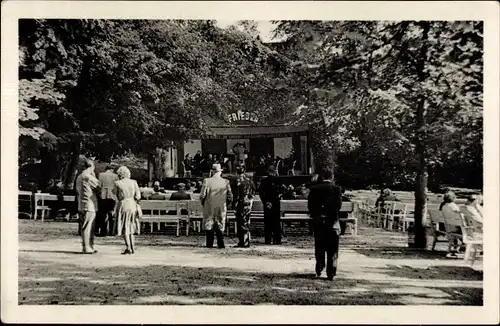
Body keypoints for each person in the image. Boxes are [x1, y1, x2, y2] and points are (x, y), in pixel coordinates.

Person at [307, 168, 342, 280]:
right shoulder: (337, 189)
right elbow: (338, 206)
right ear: (331, 177)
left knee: (319, 245)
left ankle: (319, 267)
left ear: (321, 177)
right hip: (332, 221)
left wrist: (318, 215)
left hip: (319, 221)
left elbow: (310, 206)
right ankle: (331, 271)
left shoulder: (314, 189)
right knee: (332, 247)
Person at [199, 164, 233, 249]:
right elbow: (230, 196)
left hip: (209, 205)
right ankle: (220, 243)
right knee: (220, 223)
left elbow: (202, 195)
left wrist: (203, 203)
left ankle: (209, 243)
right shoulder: (226, 182)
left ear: (212, 171)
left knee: (209, 223)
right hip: (221, 206)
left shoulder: (206, 181)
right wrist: (226, 203)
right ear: (220, 172)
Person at [114, 166, 141, 255]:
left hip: (123, 204)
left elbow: (116, 195)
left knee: (125, 227)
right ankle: (133, 247)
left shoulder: (118, 183)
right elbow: (138, 196)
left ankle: (128, 247)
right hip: (132, 204)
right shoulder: (134, 182)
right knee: (131, 226)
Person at [75, 158, 100, 254]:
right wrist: (94, 177)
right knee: (88, 226)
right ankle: (87, 246)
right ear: (92, 166)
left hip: (81, 203)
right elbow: (99, 187)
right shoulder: (88, 177)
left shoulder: (79, 176)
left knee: (84, 226)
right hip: (90, 204)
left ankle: (87, 245)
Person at [258, 165, 283, 245]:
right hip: (275, 203)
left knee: (268, 222)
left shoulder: (264, 181)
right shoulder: (278, 181)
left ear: (268, 171)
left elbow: (261, 193)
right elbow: (281, 191)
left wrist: (265, 202)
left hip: (267, 203)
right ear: (274, 171)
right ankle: (277, 239)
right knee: (276, 221)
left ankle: (268, 239)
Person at [232, 164, 255, 248]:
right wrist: (250, 203)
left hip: (240, 204)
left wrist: (234, 206)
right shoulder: (249, 180)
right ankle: (247, 240)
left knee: (241, 223)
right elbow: (253, 193)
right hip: (248, 204)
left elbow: (236, 195)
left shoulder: (237, 181)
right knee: (247, 222)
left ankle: (243, 241)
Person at [440, 191, 464, 257]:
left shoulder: (443, 206)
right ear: (453, 198)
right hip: (455, 228)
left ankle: (460, 247)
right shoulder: (453, 206)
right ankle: (464, 247)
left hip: (448, 227)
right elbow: (460, 215)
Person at [97, 165, 118, 236]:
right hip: (112, 196)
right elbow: (116, 187)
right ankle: (112, 231)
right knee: (111, 214)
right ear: (112, 169)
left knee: (103, 214)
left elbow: (99, 186)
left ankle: (103, 231)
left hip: (104, 195)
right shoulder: (115, 176)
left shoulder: (101, 175)